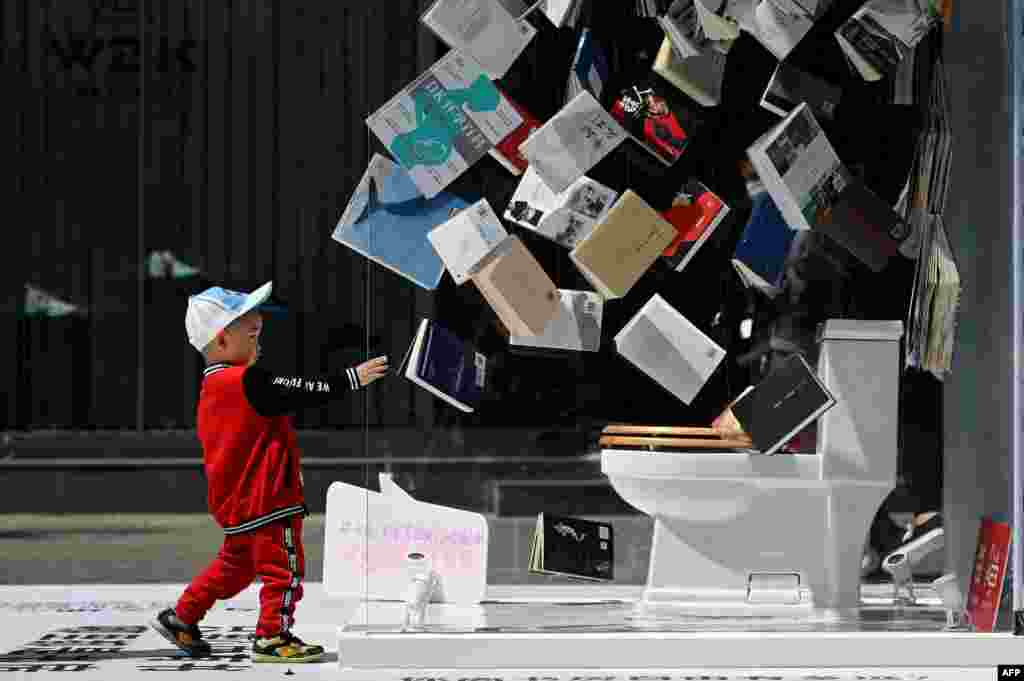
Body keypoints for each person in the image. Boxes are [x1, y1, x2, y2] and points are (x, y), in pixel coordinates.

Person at [150, 281, 389, 662]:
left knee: (234, 567)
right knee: (284, 571)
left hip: (238, 505)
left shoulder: (213, 388)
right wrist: (352, 379)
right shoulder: (246, 381)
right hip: (269, 501)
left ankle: (182, 617)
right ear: (223, 340)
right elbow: (302, 390)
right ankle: (272, 638)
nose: (258, 322)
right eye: (249, 323)